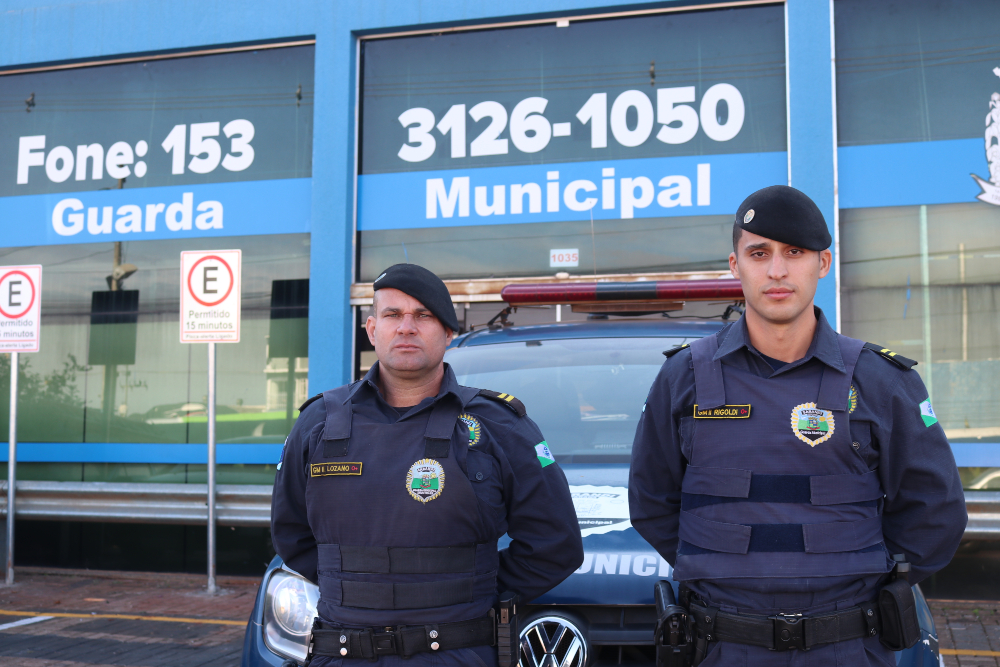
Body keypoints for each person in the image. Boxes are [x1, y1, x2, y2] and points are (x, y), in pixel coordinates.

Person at [629, 185, 967, 666]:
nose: (777, 270)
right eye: (759, 253)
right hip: (722, 646)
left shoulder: (881, 381)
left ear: (823, 264)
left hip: (849, 646)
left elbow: (936, 513)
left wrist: (860, 575)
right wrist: (724, 570)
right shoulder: (683, 377)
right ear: (735, 264)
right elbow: (651, 501)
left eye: (795, 252)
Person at [271, 263, 583, 667]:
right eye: (392, 315)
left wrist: (470, 586)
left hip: (456, 654)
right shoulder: (319, 423)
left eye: (423, 316)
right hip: (343, 653)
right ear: (371, 329)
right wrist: (360, 589)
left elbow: (554, 544)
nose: (406, 327)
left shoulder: (498, 424)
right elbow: (291, 535)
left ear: (448, 332)